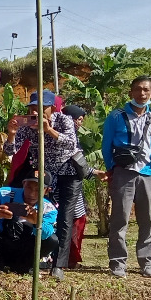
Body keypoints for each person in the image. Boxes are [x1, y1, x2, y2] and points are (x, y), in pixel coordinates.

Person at [3, 90, 80, 279]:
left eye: (41, 108)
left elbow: (72, 144)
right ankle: (36, 257)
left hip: (68, 172)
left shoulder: (64, 120)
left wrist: (48, 131)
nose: (35, 112)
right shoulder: (28, 124)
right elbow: (9, 151)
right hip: (45, 175)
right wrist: (12, 134)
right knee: (40, 213)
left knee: (64, 217)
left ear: (52, 108)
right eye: (32, 108)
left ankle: (59, 265)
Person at [102, 75, 151, 278]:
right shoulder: (116, 116)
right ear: (131, 92)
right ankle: (117, 263)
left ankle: (147, 263)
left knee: (147, 220)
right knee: (120, 219)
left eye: (146, 90)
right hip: (123, 173)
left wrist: (149, 167)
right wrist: (114, 168)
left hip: (147, 173)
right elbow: (106, 146)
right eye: (138, 89)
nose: (142, 93)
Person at [0, 176, 57, 274]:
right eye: (29, 187)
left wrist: (37, 222)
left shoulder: (48, 208)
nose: (32, 194)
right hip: (2, 244)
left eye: (38, 190)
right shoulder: (3, 194)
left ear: (47, 191)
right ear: (23, 183)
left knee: (52, 240)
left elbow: (47, 235)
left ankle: (24, 265)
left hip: (25, 250)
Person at [61, 104, 91, 265]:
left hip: (75, 187)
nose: (79, 123)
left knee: (77, 222)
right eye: (78, 119)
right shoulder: (63, 137)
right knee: (69, 223)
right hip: (64, 186)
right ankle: (66, 258)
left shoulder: (76, 137)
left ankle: (72, 258)